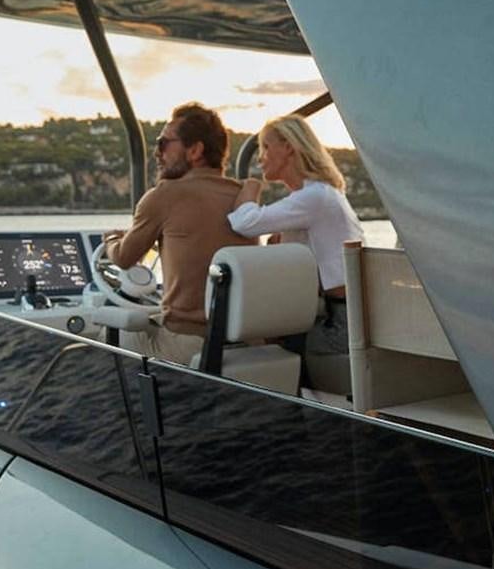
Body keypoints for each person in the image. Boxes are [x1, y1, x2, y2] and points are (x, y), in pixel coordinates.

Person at [103, 103, 254, 364]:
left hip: (191, 345)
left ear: (195, 150)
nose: (156, 153)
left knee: (106, 330)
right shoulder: (243, 199)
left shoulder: (165, 195)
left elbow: (125, 258)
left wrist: (111, 240)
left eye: (163, 144)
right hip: (245, 340)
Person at [228, 115, 364, 373]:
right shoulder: (322, 194)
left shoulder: (314, 197)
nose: (260, 157)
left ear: (288, 146)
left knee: (259, 345)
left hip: (342, 325)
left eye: (266, 147)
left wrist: (249, 190)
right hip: (347, 315)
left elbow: (244, 223)